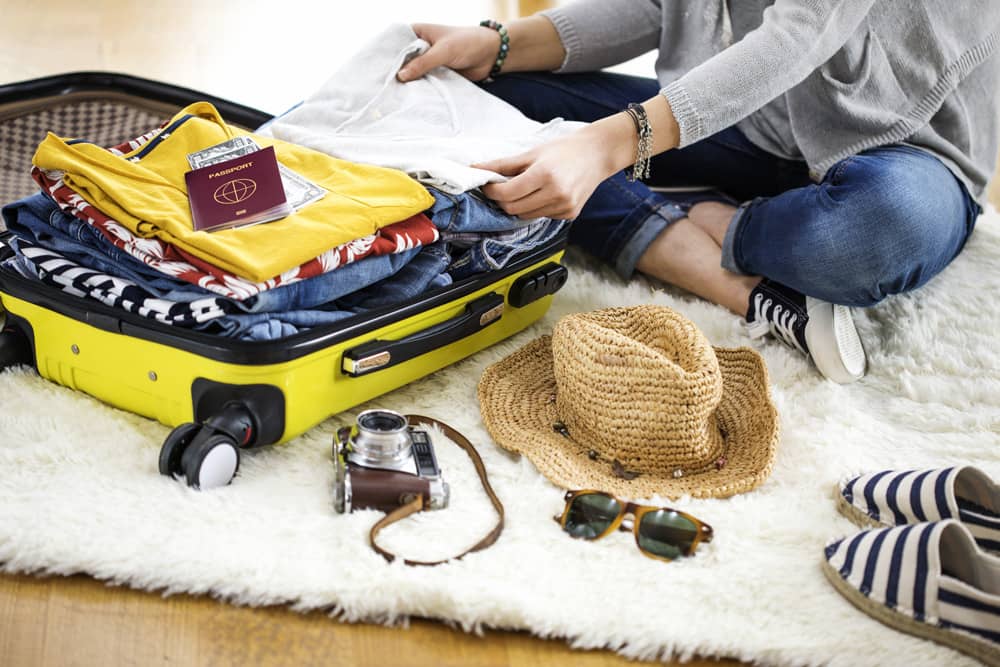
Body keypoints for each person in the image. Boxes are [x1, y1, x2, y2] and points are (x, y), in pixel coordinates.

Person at [396, 1, 1000, 384]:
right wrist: (500, 44)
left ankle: (706, 211)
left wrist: (612, 146)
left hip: (907, 154)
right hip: (755, 125)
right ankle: (744, 290)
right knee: (483, 107)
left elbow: (799, 33)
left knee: (871, 232)